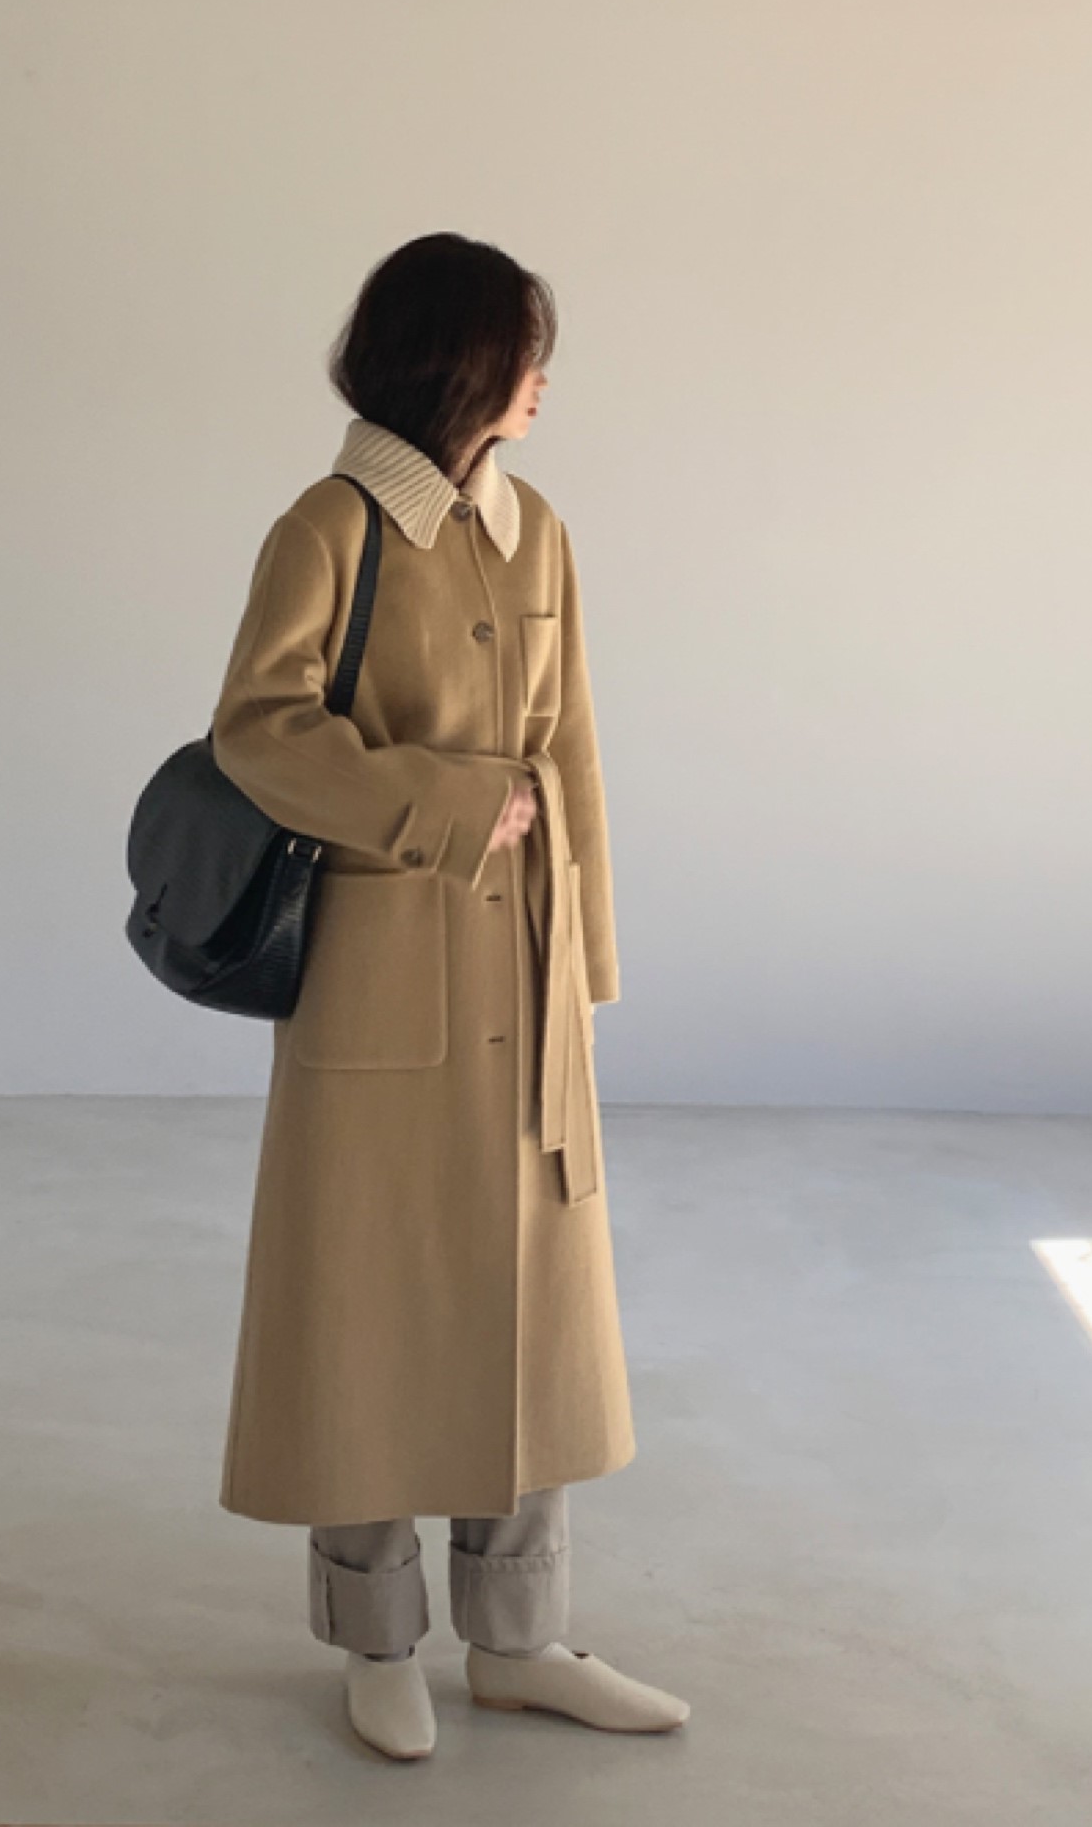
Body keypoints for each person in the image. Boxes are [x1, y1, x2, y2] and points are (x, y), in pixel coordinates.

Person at [206, 233, 689, 1761]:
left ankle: (521, 1640)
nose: (544, 379)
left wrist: (585, 957)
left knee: (526, 1310)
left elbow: (574, 747)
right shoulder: (329, 527)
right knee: (366, 1302)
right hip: (378, 978)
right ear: (460, 361)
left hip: (523, 977)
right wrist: (441, 802)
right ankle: (375, 1644)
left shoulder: (538, 532)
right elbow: (257, 731)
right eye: (525, 351)